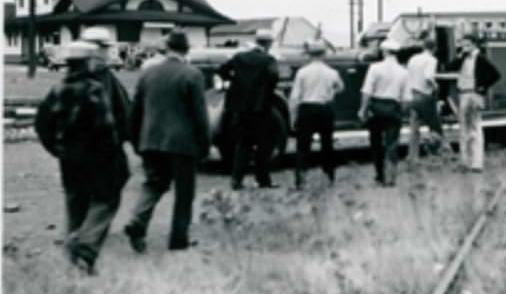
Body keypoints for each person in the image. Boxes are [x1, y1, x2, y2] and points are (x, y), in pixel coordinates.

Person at [34, 41, 124, 274]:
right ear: (87, 62)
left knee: (75, 203)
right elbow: (107, 127)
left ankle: (74, 261)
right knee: (106, 200)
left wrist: (55, 148)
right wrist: (112, 154)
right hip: (96, 157)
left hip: (69, 158)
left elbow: (42, 125)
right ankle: (85, 244)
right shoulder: (94, 89)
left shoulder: (57, 89)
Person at [124, 29, 210, 252]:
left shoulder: (147, 74)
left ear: (166, 49)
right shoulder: (193, 75)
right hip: (182, 144)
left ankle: (138, 221)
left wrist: (136, 141)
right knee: (184, 194)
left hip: (150, 140)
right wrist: (204, 144)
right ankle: (178, 241)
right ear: (186, 49)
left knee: (153, 184)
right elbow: (200, 115)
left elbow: (135, 111)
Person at [217, 28, 280, 190]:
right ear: (268, 44)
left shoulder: (239, 57)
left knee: (243, 144)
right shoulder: (268, 60)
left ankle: (236, 180)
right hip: (261, 107)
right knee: (264, 144)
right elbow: (273, 78)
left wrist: (236, 82)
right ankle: (263, 180)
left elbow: (221, 71)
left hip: (240, 108)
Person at [80, 27, 131, 199]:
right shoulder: (101, 78)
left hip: (77, 152)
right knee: (107, 199)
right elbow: (122, 110)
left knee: (79, 201)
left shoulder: (74, 75)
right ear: (95, 50)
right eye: (105, 48)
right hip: (102, 149)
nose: (108, 51)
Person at [289, 39, 344, 189]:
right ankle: (329, 177)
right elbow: (340, 87)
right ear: (324, 54)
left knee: (303, 146)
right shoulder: (332, 72)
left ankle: (301, 179)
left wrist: (293, 116)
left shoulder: (302, 72)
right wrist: (331, 93)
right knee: (327, 144)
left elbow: (295, 96)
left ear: (309, 54)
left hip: (307, 108)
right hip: (324, 108)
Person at [358, 39, 411, 186]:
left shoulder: (375, 68)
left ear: (384, 52)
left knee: (376, 143)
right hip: (393, 107)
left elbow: (367, 91)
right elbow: (407, 98)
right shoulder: (403, 72)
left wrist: (363, 109)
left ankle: (379, 175)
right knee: (392, 144)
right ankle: (391, 177)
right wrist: (401, 112)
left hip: (376, 107)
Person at [448, 32, 500, 172]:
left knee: (475, 128)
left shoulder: (480, 58)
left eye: (468, 45)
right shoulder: (463, 58)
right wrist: (460, 55)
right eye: (463, 45)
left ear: (474, 45)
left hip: (474, 93)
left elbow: (495, 74)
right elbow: (450, 67)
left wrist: (482, 88)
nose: (465, 47)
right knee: (464, 128)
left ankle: (477, 163)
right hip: (463, 93)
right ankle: (465, 161)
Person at [406, 36, 448, 162]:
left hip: (413, 94)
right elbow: (428, 77)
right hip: (425, 96)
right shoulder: (431, 59)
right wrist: (436, 86)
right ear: (434, 48)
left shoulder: (413, 59)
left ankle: (412, 156)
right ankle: (440, 152)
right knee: (435, 126)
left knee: (414, 128)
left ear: (423, 47)